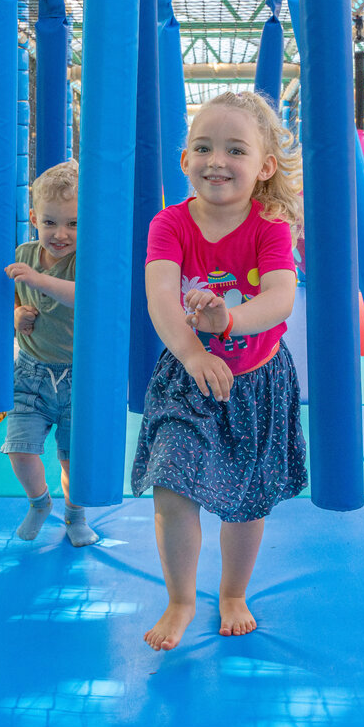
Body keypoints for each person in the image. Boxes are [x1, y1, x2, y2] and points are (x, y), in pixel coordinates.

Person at [132, 90, 307, 651]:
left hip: (256, 381)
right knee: (171, 483)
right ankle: (181, 598)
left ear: (264, 168)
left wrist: (228, 320)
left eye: (236, 150)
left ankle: (233, 591)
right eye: (203, 147)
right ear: (185, 161)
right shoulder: (171, 224)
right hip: (187, 377)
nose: (217, 160)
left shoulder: (270, 226)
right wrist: (193, 353)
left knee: (247, 497)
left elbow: (281, 298)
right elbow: (161, 297)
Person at [1, 160, 99, 548]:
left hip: (78, 376)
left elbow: (86, 298)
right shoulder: (23, 254)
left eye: (73, 223)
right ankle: (39, 503)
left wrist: (38, 280)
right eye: (50, 222)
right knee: (19, 449)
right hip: (31, 372)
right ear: (33, 218)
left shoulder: (85, 259)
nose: (61, 234)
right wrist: (15, 315)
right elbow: (7, 301)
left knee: (72, 459)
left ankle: (76, 515)